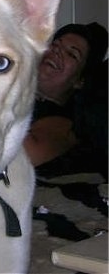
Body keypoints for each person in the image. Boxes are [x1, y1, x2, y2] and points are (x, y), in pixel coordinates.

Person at [24, 22, 108, 178]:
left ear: (79, 81)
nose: (56, 52)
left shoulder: (65, 125)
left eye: (72, 54)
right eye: (55, 45)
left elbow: (28, 156)